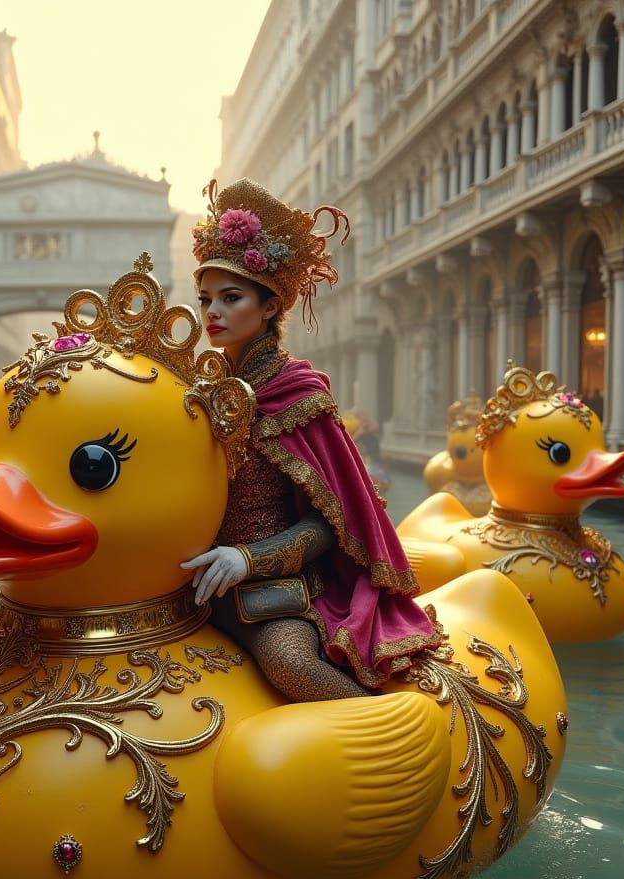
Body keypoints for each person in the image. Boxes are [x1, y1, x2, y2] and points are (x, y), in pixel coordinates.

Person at [181, 178, 442, 702]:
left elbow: (332, 524)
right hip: (192, 586)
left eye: (231, 298)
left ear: (270, 307)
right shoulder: (199, 387)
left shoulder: (299, 394)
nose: (212, 312)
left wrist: (247, 559)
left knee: (291, 665)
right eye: (206, 299)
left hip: (271, 594)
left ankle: (381, 724)